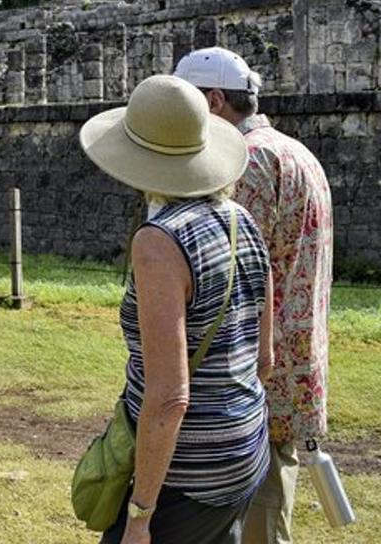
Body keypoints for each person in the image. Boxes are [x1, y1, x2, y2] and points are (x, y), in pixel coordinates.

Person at [80, 74, 274, 544]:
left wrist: (141, 514)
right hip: (246, 448)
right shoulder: (241, 221)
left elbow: (169, 397)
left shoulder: (158, 242)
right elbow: (264, 358)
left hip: (187, 473)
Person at [174, 47, 334, 544]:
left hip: (254, 377)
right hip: (296, 368)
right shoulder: (293, 150)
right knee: (270, 511)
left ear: (216, 101)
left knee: (257, 523)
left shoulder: (249, 161)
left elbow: (222, 274)